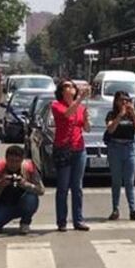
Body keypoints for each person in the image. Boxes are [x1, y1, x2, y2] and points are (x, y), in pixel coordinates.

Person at [51, 80, 90, 232]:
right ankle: (61, 221)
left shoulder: (80, 107)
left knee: (77, 187)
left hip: (79, 149)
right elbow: (67, 114)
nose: (71, 88)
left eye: (72, 86)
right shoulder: (56, 105)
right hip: (63, 149)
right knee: (63, 187)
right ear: (61, 91)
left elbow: (86, 128)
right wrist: (80, 98)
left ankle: (78, 220)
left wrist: (87, 119)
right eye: (67, 86)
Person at [0, 145, 44, 235]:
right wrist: (0, 183)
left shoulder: (29, 168)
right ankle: (0, 220)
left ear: (22, 160)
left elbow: (41, 190)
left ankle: (25, 222)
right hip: (3, 205)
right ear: (6, 159)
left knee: (32, 198)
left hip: (23, 203)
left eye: (17, 161)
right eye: (10, 161)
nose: (13, 164)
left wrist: (25, 184)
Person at [105, 90, 135, 222]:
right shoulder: (112, 114)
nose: (124, 102)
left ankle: (133, 210)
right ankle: (115, 209)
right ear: (116, 101)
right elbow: (110, 129)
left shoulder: (131, 115)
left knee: (129, 182)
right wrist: (120, 115)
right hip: (115, 148)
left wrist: (133, 113)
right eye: (122, 100)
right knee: (116, 181)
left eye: (127, 100)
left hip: (129, 149)